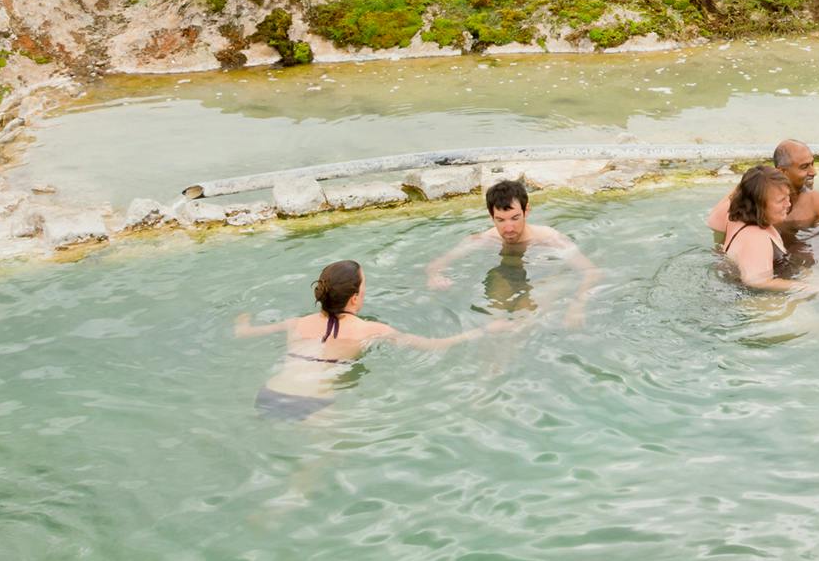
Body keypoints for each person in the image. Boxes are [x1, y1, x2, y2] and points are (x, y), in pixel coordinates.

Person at [235, 260, 503, 419]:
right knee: (310, 473)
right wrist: (483, 330)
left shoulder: (296, 324)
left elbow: (244, 333)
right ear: (354, 299)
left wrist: (242, 316)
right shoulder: (371, 330)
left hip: (271, 393)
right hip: (313, 401)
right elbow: (434, 345)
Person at [427, 179, 600, 325]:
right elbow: (436, 265)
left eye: (515, 218)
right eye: (500, 220)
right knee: (494, 322)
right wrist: (435, 276)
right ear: (491, 216)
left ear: (526, 211)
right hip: (507, 278)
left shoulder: (549, 239)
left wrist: (577, 306)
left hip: (544, 278)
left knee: (522, 324)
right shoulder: (486, 238)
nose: (508, 228)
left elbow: (591, 272)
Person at [708, 140, 819, 235]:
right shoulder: (758, 202)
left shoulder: (817, 201)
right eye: (804, 167)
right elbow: (716, 224)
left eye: (812, 164)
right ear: (782, 171)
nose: (813, 172)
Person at [719, 164, 797, 289]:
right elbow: (757, 282)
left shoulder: (735, 220)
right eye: (780, 200)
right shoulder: (756, 238)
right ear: (758, 204)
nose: (788, 204)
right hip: (755, 301)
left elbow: (712, 222)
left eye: (788, 197)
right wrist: (808, 287)